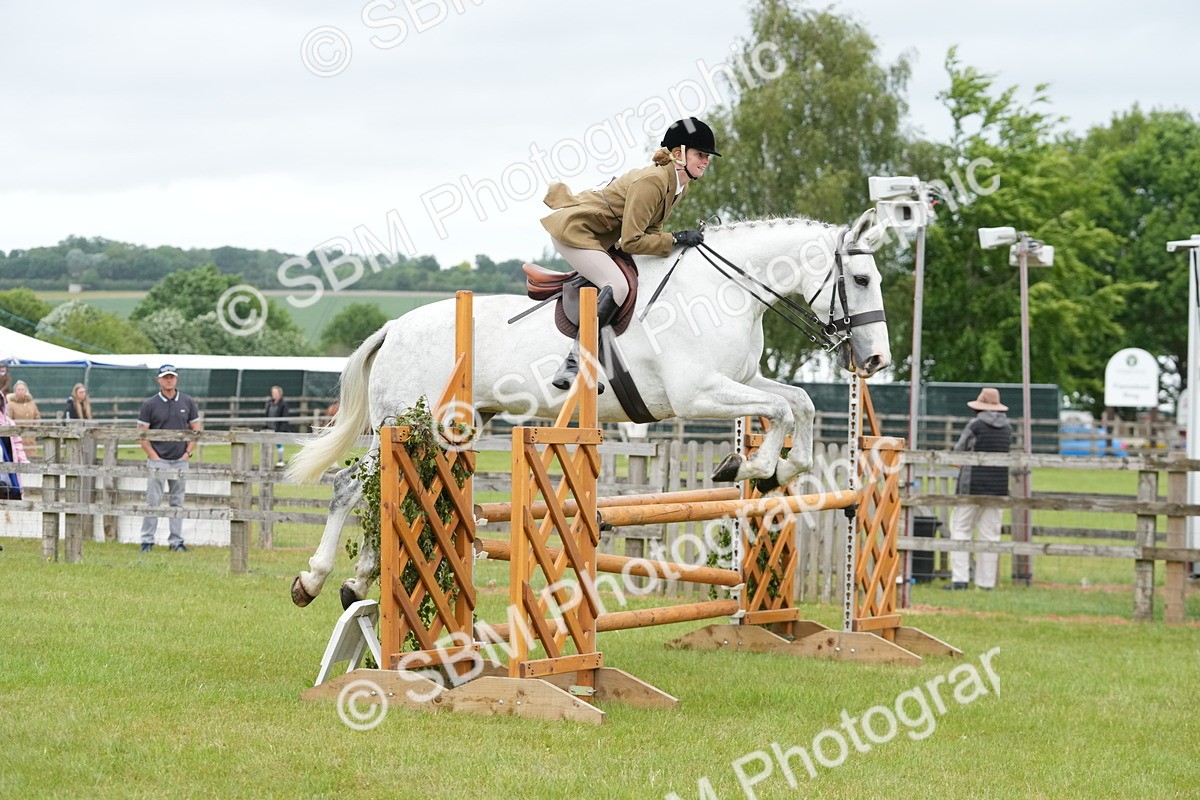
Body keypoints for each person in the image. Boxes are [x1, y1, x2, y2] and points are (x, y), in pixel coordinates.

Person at [540, 116, 719, 391]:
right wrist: (677, 238)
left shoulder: (679, 185)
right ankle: (574, 363)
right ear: (678, 154)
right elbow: (634, 240)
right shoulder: (653, 181)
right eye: (700, 154)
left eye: (707, 156)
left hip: (602, 237)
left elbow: (651, 229)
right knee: (619, 286)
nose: (705, 161)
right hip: (576, 232)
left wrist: (670, 240)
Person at [944, 388, 1013, 591]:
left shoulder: (975, 425)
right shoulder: (1007, 427)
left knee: (961, 530)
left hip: (971, 486)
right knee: (990, 535)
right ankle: (986, 583)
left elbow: (959, 451)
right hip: (998, 487)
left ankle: (960, 579)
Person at [137, 365, 201, 552]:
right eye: (165, 377)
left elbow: (195, 430)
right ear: (159, 380)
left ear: (176, 379)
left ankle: (176, 541)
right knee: (153, 501)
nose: (169, 380)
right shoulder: (149, 404)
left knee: (177, 501)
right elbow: (142, 434)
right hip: (158, 459)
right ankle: (147, 540)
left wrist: (187, 453)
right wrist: (154, 456)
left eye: (171, 377)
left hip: (180, 459)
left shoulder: (188, 402)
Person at [0, 391, 29, 500]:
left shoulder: (9, 423)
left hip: (9, 465)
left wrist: (23, 460)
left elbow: (17, 444)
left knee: (11, 495)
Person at [5, 380, 41, 458]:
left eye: (23, 389)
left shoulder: (31, 403)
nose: (21, 391)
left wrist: (35, 429)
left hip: (31, 438)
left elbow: (37, 417)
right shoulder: (11, 405)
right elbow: (9, 420)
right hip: (18, 438)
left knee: (33, 458)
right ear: (15, 392)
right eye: (19, 389)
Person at [264, 385, 291, 467]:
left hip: (278, 427)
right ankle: (267, 461)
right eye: (273, 393)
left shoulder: (283, 405)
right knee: (268, 445)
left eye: (275, 393)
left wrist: (281, 429)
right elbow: (267, 415)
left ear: (279, 393)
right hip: (270, 427)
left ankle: (280, 460)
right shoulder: (269, 403)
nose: (274, 394)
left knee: (279, 444)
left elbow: (284, 417)